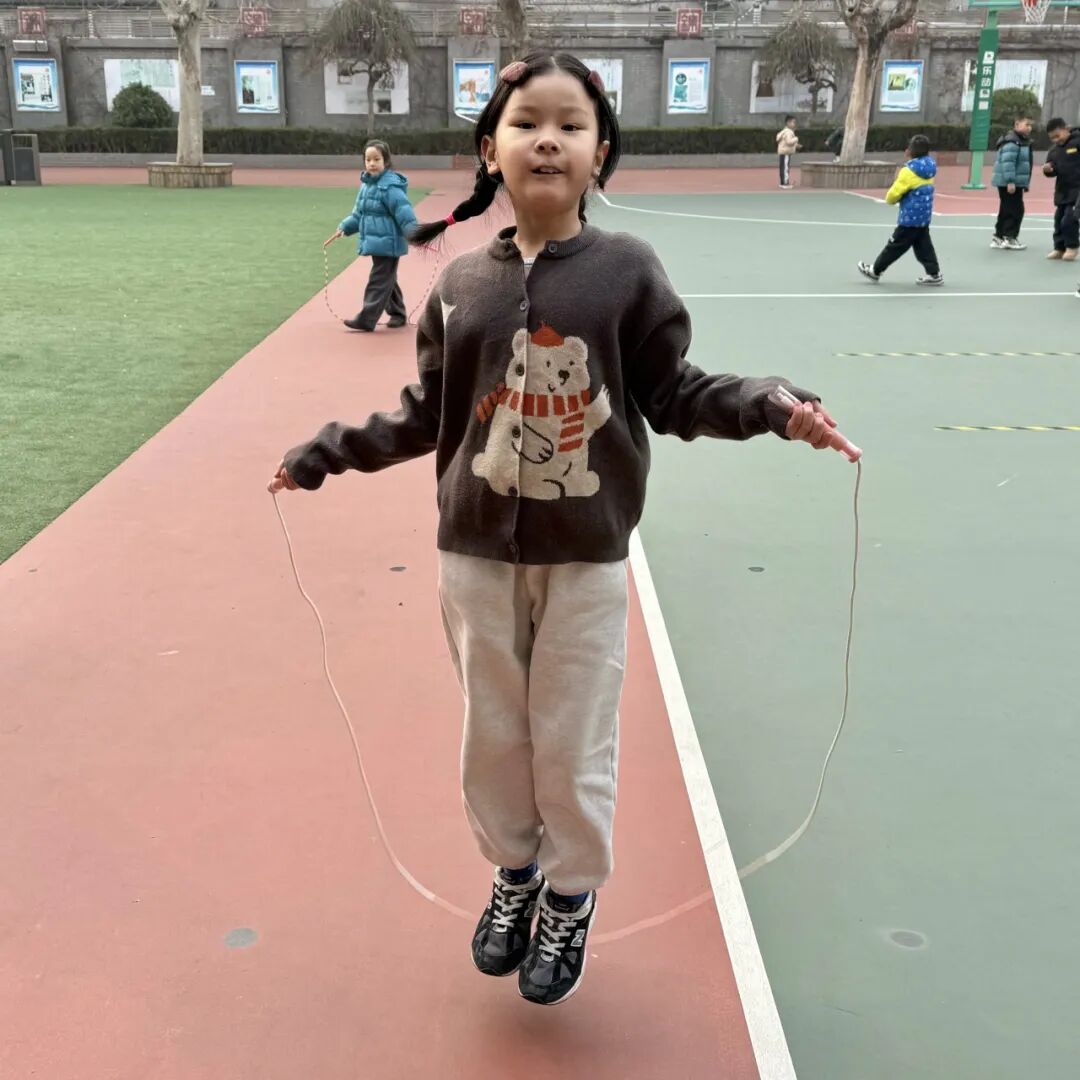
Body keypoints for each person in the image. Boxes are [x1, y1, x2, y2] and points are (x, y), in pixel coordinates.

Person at [269, 51, 843, 1007]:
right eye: (526, 122)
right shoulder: (461, 282)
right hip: (471, 557)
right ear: (489, 149)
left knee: (572, 739)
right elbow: (428, 413)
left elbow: (674, 391)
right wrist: (325, 452)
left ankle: (570, 894)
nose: (548, 139)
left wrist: (772, 404)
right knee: (493, 736)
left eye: (571, 125)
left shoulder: (626, 273)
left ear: (599, 153)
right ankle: (515, 872)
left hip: (584, 558)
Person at [325, 139, 418, 331]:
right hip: (377, 242)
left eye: (376, 159)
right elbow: (359, 214)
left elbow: (404, 212)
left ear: (386, 161)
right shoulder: (366, 186)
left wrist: (415, 233)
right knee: (387, 279)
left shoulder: (390, 187)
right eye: (368, 160)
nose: (372, 163)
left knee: (379, 280)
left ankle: (366, 319)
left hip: (389, 243)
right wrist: (345, 227)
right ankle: (398, 313)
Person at [857, 134, 943, 286]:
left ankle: (875, 271)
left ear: (909, 151)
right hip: (924, 216)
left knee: (895, 245)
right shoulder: (930, 168)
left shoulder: (908, 171)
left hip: (909, 218)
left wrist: (890, 199)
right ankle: (933, 273)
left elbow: (894, 194)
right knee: (924, 246)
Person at [990, 115, 1034, 250]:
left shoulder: (1019, 140)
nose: (1029, 128)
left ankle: (999, 237)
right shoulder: (1013, 141)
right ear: (1016, 124)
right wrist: (1010, 181)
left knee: (1005, 209)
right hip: (1010, 182)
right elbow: (1008, 162)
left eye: (1030, 125)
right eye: (1026, 124)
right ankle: (1010, 237)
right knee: (1016, 210)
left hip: (1011, 181)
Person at [1042, 117, 1080, 262]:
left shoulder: (1077, 142)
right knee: (1058, 220)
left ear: (1066, 129)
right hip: (1063, 191)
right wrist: (1048, 170)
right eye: (1052, 138)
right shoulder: (1054, 150)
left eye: (1057, 136)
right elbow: (1052, 168)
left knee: (1069, 219)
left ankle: (1072, 247)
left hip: (1077, 190)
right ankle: (1059, 247)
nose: (1056, 140)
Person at [776, 115, 800, 189]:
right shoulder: (789, 132)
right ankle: (785, 183)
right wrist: (796, 139)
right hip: (786, 152)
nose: (794, 124)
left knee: (783, 167)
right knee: (785, 168)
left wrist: (796, 145)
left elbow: (785, 142)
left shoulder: (784, 131)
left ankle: (782, 182)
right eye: (793, 122)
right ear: (788, 123)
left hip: (783, 151)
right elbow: (789, 142)